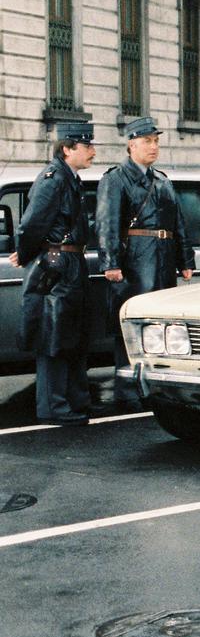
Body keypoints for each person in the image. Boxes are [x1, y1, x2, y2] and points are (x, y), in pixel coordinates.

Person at [96, 117, 194, 410]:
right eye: (148, 141)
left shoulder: (162, 179)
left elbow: (178, 223)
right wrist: (111, 263)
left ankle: (158, 390)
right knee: (131, 324)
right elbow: (107, 223)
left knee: (162, 324)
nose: (154, 147)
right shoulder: (116, 179)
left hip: (162, 258)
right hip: (136, 260)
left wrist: (185, 259)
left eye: (156, 141)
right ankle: (129, 392)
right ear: (131, 144)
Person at [9, 123, 97, 424]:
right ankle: (54, 408)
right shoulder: (53, 179)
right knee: (53, 336)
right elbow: (31, 224)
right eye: (86, 147)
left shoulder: (68, 178)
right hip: (56, 264)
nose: (93, 152)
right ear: (67, 149)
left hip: (67, 263)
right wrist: (26, 252)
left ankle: (72, 402)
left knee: (71, 334)